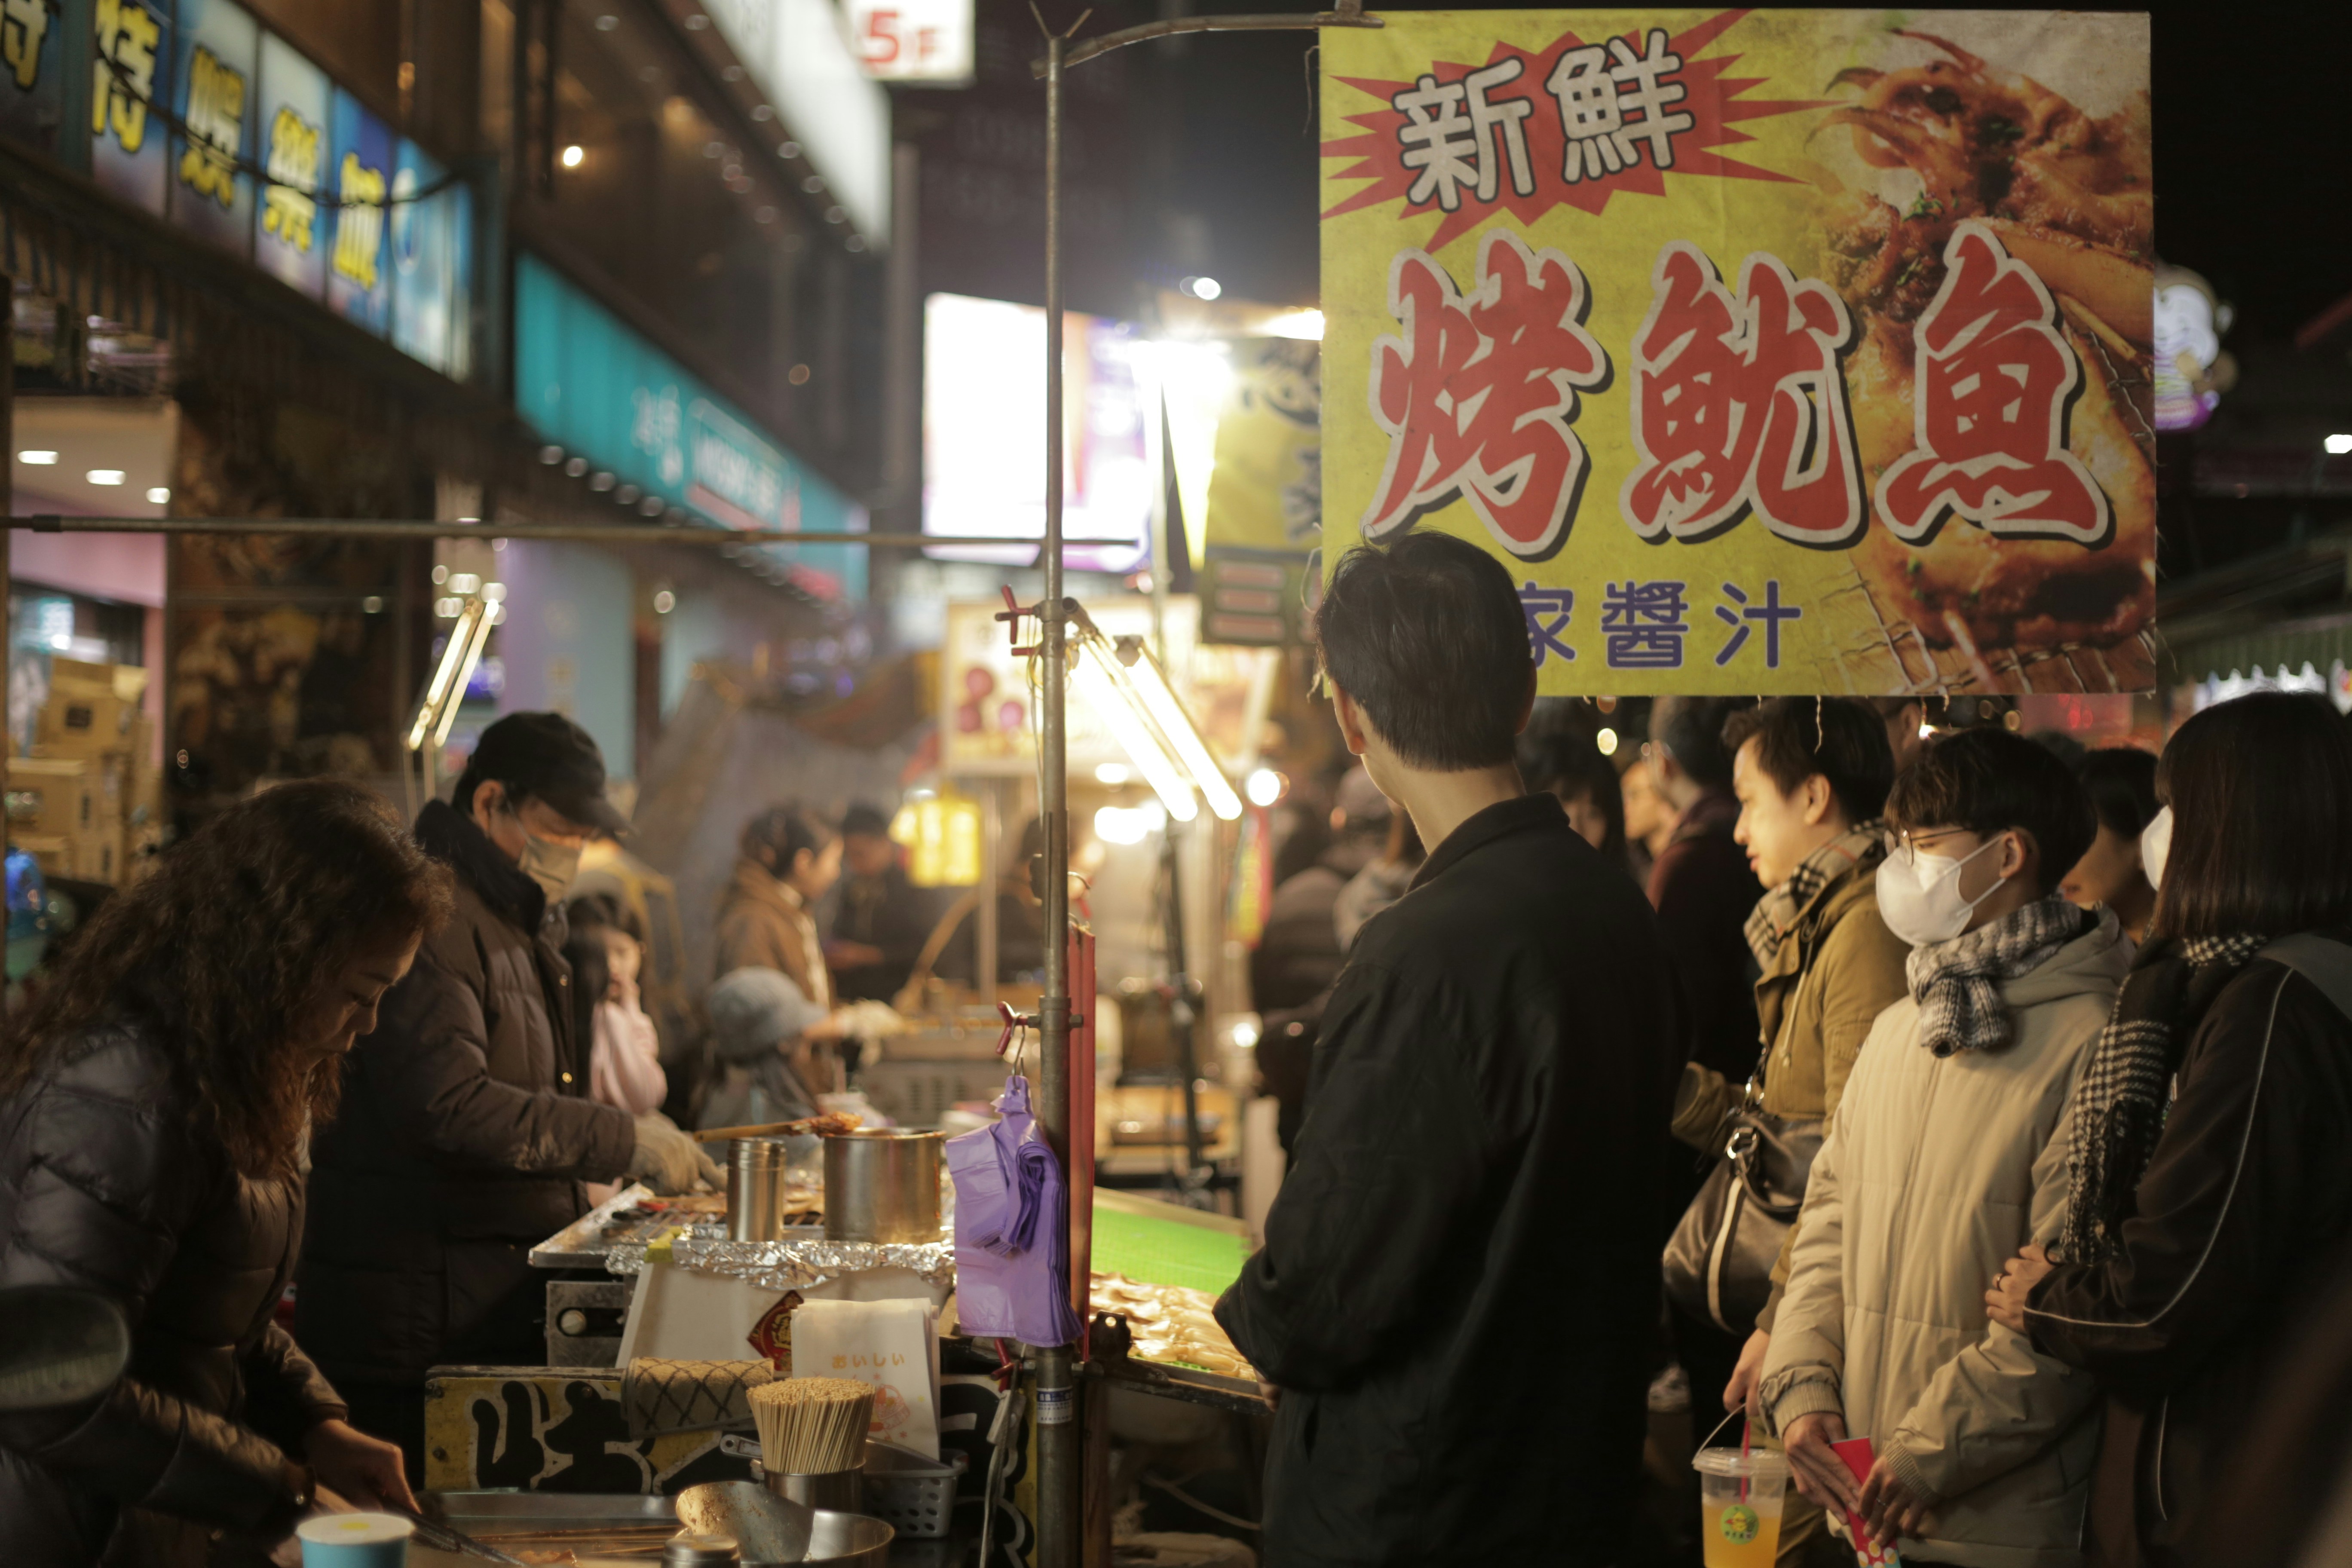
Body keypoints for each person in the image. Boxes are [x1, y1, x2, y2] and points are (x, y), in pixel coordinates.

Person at [1214, 532, 1678, 1567]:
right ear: (1521, 697)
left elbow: (1325, 1293)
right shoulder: (1613, 908)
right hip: (1573, 1484)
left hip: (1422, 1508)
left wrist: (1249, 1317)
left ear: (1352, 718)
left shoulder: (1420, 953)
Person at [0, 781, 451, 1565]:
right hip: (72, 1530)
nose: (368, 1025)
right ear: (281, 954)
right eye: (359, 993)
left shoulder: (234, 1065)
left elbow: (210, 1310)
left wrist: (316, 1421)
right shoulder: (128, 1093)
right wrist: (278, 1483)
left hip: (156, 1518)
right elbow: (47, 1384)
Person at [1989, 693, 2352, 1567]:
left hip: (2216, 1491)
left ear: (2236, 825)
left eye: (2176, 808)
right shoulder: (2303, 978)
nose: (2162, 834)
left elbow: (2169, 1291)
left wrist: (2045, 1296)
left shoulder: (2271, 1006)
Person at [299, 714, 713, 1481]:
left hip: (477, 1298)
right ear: (490, 800)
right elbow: (445, 1105)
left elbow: (521, 1092)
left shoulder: (514, 917)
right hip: (415, 1321)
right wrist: (618, 1138)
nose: (572, 851)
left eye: (584, 834)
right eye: (560, 827)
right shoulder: (436, 915)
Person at [1763, 728, 2124, 1564]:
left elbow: (2075, 1307)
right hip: (1867, 1506)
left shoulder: (2096, 1039)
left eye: (1924, 848)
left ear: (2008, 856)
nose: (1900, 868)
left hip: (1997, 1523)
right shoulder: (1903, 1026)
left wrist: (1924, 1456)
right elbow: (1828, 1228)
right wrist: (1806, 1390)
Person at [1692, 698, 1910, 1566]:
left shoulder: (1859, 933)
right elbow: (1795, 1120)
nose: (1740, 827)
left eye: (1751, 799)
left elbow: (1851, 1154)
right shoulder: (1820, 924)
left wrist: (1782, 1326)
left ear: (1814, 796)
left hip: (1829, 1320)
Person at [1646, 696, 1765, 1087]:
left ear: (1663, 762)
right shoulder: (1766, 836)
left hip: (1706, 1100)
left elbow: (1673, 1012)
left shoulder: (1683, 866)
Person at [1248, 766, 1391, 1014]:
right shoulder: (1425, 895)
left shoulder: (1292, 900)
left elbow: (1264, 999)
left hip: (1305, 1050)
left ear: (1340, 820)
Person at [714, 805, 841, 1005]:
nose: (836, 873)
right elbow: (759, 1013)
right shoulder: (753, 919)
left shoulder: (795, 910)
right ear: (804, 863)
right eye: (834, 861)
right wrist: (841, 1026)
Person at [700, 966, 846, 1130]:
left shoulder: (722, 1098)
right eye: (801, 1036)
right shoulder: (766, 1116)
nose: (807, 1052)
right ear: (783, 1044)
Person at [827, 803, 935, 1003]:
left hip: (899, 997)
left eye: (860, 854)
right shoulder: (852, 887)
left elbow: (925, 950)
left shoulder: (915, 886)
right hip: (853, 998)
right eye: (848, 856)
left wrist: (864, 956)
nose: (854, 863)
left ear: (885, 843)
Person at [2059, 747, 2160, 942]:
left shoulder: (2203, 959)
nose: (2058, 858)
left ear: (2145, 845)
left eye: (2079, 836)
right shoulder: (2073, 955)